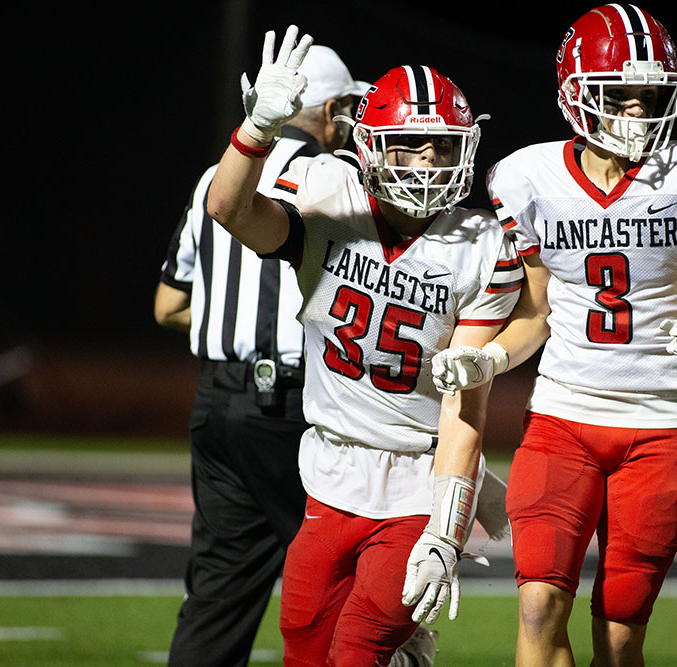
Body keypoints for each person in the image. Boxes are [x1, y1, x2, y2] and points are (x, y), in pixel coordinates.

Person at [430, 4, 677, 666]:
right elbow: (538, 313)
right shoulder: (528, 178)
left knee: (621, 633)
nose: (637, 111)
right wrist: (487, 355)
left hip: (660, 424)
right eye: (620, 95)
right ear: (577, 94)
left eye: (650, 95)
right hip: (563, 417)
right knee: (540, 603)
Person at [204, 25, 522, 667]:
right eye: (409, 145)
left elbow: (467, 407)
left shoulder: (480, 247)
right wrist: (257, 131)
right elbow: (230, 209)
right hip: (327, 468)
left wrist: (447, 525)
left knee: (356, 654)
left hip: (415, 479)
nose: (427, 161)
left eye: (441, 146)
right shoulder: (331, 197)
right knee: (304, 647)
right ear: (373, 147)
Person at [155, 44, 442, 667]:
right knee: (351, 606)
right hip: (304, 408)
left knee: (218, 595)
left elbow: (167, 306)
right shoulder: (339, 175)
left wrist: (231, 337)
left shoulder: (218, 174)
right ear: (335, 108)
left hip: (218, 401)